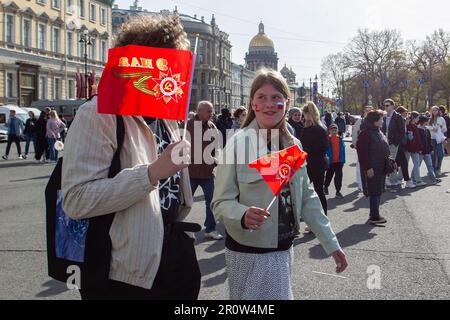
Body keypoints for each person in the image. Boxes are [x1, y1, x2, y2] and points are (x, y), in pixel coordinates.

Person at [62, 15, 200, 300]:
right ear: (136, 62)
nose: (172, 74)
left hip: (172, 256)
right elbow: (76, 199)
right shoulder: (99, 112)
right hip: (123, 272)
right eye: (163, 62)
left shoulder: (166, 114)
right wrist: (152, 173)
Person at [211, 69, 347, 300]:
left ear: (287, 102)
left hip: (283, 249)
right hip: (248, 251)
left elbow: (307, 197)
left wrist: (330, 242)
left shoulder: (292, 143)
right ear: (252, 103)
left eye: (276, 98)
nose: (269, 104)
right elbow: (220, 203)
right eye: (262, 97)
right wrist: (242, 214)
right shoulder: (238, 143)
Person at [187, 101, 223, 240]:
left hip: (208, 172)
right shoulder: (188, 125)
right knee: (183, 202)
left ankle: (210, 229)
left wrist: (215, 161)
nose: (211, 113)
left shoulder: (212, 126)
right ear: (199, 111)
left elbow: (217, 147)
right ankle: (175, 229)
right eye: (208, 111)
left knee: (212, 201)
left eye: (212, 111)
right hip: (191, 171)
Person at [357, 110, 391, 225]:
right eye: (381, 119)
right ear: (375, 121)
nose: (383, 120)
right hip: (373, 167)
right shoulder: (365, 133)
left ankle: (374, 214)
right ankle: (374, 216)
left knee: (378, 190)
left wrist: (390, 161)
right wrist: (368, 167)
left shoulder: (377, 131)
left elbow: (384, 148)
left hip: (380, 166)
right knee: (374, 191)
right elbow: (362, 153)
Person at [301, 102, 329, 216]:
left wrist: (307, 150)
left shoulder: (312, 129)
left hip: (313, 163)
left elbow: (306, 146)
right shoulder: (321, 127)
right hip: (320, 163)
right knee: (319, 191)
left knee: (304, 192)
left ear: (308, 114)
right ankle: (322, 218)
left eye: (304, 114)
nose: (303, 116)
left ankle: (313, 220)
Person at [381, 99, 405, 191]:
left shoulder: (398, 117)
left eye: (387, 105)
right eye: (385, 105)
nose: (386, 107)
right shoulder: (383, 116)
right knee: (386, 162)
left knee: (391, 162)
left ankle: (393, 183)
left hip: (393, 143)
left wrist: (396, 142)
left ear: (392, 106)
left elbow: (402, 131)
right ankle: (390, 181)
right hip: (384, 143)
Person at [352, 106, 373, 192]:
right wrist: (355, 144)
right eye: (367, 111)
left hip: (371, 147)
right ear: (364, 112)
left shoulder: (373, 121)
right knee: (360, 165)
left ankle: (369, 184)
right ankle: (360, 185)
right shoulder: (360, 121)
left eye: (370, 111)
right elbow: (354, 134)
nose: (368, 112)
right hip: (361, 147)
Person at [394, 106, 415, 190]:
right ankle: (407, 180)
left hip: (402, 145)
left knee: (397, 163)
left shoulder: (403, 121)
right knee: (403, 163)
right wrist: (405, 124)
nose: (406, 115)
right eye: (404, 113)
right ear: (400, 113)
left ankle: (391, 179)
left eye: (406, 113)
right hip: (397, 145)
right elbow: (400, 132)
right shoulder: (398, 121)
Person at [324, 124, 345, 199]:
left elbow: (342, 151)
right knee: (329, 175)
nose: (334, 131)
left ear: (337, 130)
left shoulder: (340, 139)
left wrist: (343, 160)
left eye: (335, 129)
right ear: (329, 130)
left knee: (339, 177)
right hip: (331, 162)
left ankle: (338, 191)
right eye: (332, 130)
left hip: (339, 161)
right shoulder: (327, 139)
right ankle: (325, 187)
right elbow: (325, 150)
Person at [417, 116, 441, 184]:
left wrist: (431, 149)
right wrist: (419, 149)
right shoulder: (418, 129)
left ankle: (433, 179)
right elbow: (418, 141)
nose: (428, 122)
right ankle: (413, 179)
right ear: (423, 121)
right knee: (417, 166)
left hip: (427, 151)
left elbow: (429, 140)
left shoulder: (427, 129)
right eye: (427, 121)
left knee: (430, 166)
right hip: (421, 152)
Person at [406, 112, 426, 187]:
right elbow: (412, 139)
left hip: (415, 148)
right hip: (410, 148)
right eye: (417, 117)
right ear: (414, 118)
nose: (418, 119)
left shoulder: (414, 125)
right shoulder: (409, 126)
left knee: (416, 164)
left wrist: (419, 147)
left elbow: (417, 139)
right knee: (405, 165)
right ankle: (399, 180)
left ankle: (417, 180)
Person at [429, 106, 447, 176]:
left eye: (436, 110)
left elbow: (445, 129)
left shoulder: (441, 118)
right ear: (431, 111)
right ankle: (433, 169)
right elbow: (426, 127)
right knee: (433, 154)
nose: (434, 112)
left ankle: (438, 168)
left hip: (439, 138)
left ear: (438, 111)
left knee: (441, 154)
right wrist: (432, 129)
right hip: (432, 138)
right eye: (433, 110)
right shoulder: (430, 119)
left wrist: (441, 128)